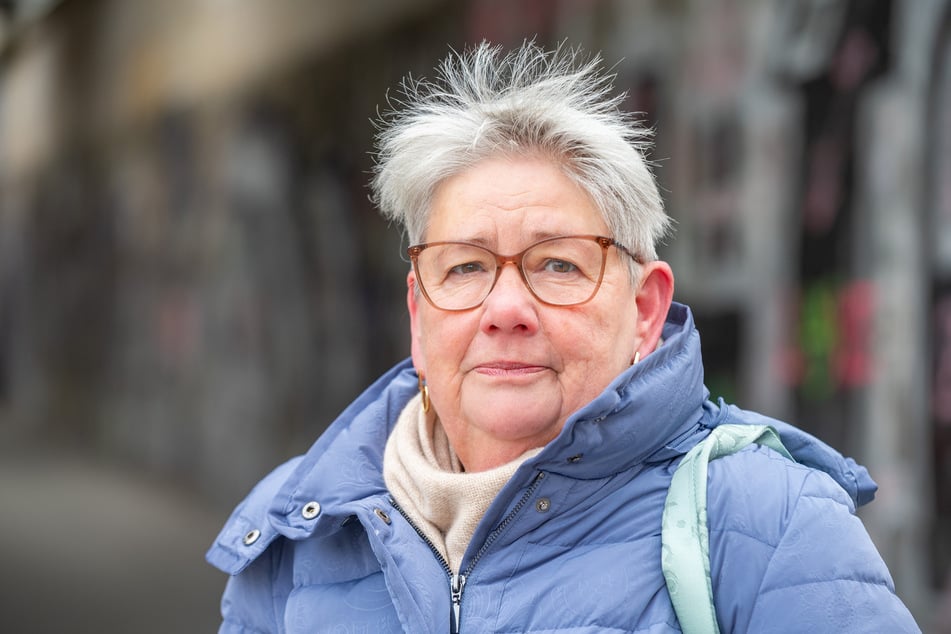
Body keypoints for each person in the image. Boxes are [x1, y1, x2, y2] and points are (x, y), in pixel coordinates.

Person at [206, 41, 920, 633]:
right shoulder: (299, 531)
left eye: (556, 263)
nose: (506, 308)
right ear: (419, 315)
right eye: (464, 267)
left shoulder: (768, 523)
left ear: (644, 307)